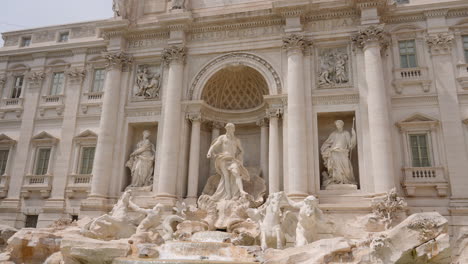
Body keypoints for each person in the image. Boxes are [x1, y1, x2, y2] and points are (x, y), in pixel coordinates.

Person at [206, 123, 249, 200]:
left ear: (234, 129)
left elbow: (241, 150)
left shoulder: (236, 140)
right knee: (226, 177)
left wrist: (239, 158)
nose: (229, 130)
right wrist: (209, 152)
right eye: (228, 128)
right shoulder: (222, 138)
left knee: (236, 173)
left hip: (232, 159)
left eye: (231, 128)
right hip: (223, 158)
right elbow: (214, 146)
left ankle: (241, 191)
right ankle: (228, 195)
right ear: (226, 129)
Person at [320, 120, 356, 186]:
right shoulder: (333, 134)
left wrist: (354, 135)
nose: (338, 126)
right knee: (335, 168)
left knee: (347, 170)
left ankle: (346, 181)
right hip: (334, 152)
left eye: (339, 124)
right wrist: (326, 149)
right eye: (337, 125)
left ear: (342, 125)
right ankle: (337, 180)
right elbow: (327, 143)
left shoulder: (346, 133)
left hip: (343, 152)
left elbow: (350, 145)